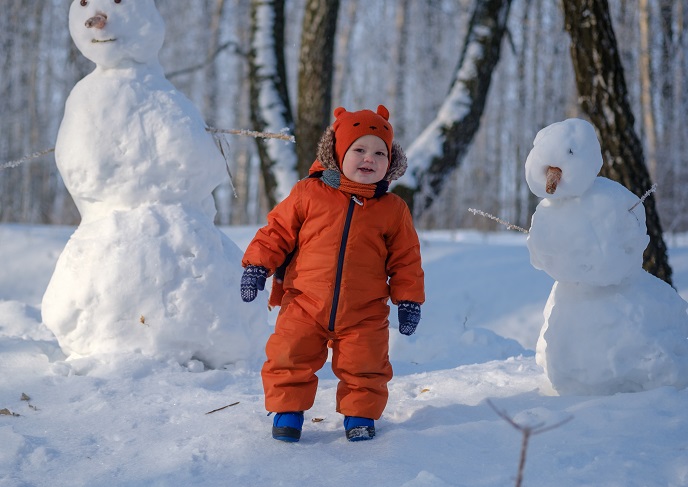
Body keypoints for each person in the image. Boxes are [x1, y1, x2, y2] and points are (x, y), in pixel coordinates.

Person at [240, 105, 425, 442]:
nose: (369, 158)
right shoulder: (307, 194)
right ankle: (288, 411)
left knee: (366, 364)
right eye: (359, 149)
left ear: (390, 161)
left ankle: (359, 416)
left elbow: (406, 259)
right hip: (304, 301)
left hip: (364, 310)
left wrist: (409, 300)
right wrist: (257, 266)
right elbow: (277, 232)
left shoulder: (393, 210)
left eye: (379, 153)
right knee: (289, 354)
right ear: (339, 153)